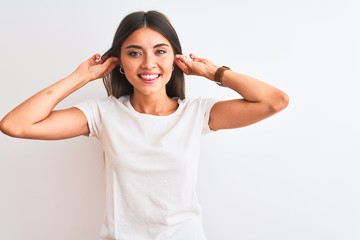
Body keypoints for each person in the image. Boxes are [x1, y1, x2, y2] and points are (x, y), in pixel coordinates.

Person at [0, 10, 289, 240]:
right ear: (120, 62)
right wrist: (81, 77)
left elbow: (275, 101)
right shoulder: (103, 114)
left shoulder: (196, 113)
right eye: (135, 53)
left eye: (160, 51)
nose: (148, 63)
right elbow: (15, 124)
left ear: (176, 59)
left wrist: (214, 72)